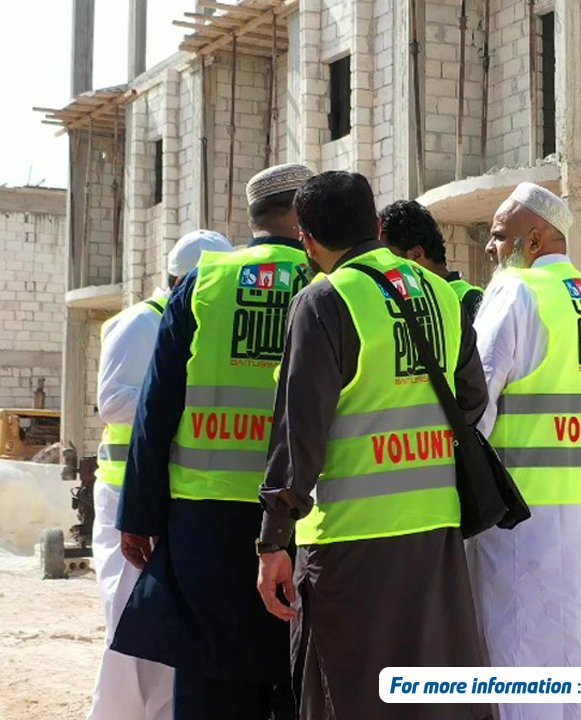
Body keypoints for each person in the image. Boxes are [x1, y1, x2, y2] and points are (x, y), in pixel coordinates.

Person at [254, 171, 492, 720]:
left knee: (347, 692)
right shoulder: (439, 291)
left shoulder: (324, 301)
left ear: (307, 241)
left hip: (348, 538)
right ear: (379, 226)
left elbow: (299, 435)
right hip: (435, 527)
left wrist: (272, 543)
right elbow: (472, 398)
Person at [112, 163, 315, 720]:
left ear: (255, 219)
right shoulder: (328, 280)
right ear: (304, 215)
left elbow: (157, 406)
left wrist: (139, 513)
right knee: (298, 671)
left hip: (203, 517)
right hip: (307, 514)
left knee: (209, 677)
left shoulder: (206, 281)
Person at [470, 182, 581, 720]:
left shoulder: (515, 293)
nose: (490, 250)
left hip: (525, 520)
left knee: (526, 654)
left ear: (534, 239)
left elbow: (475, 400)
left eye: (499, 237)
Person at [89, 229, 232, 720]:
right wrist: (175, 392)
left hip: (171, 491)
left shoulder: (201, 325)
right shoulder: (139, 323)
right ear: (181, 280)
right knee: (128, 617)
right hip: (125, 493)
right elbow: (113, 401)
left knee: (169, 626)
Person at [379, 199, 485, 321]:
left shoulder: (471, 300)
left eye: (389, 259)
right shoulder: (404, 303)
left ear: (416, 254)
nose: (385, 269)